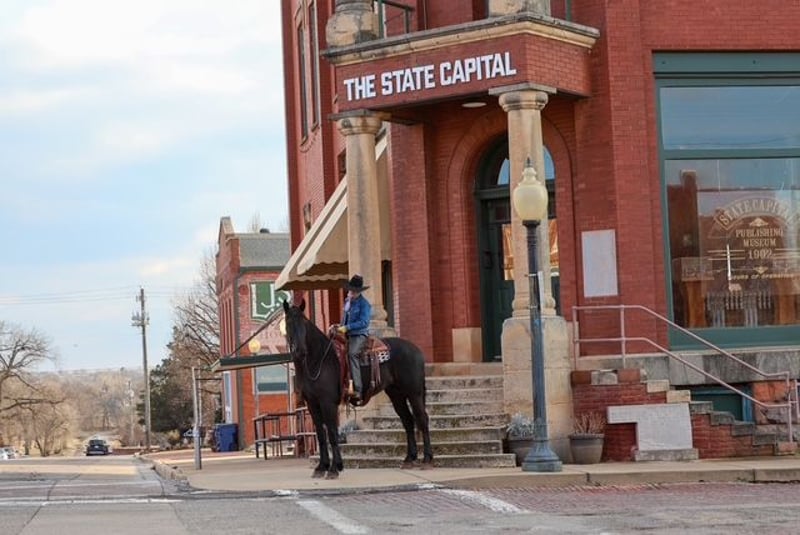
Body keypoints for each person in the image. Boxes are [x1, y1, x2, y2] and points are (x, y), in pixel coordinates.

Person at [337, 274, 372, 402]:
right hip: (347, 334)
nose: (350, 292)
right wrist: (339, 326)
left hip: (359, 335)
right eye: (350, 290)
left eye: (353, 290)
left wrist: (347, 327)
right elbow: (345, 318)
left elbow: (364, 322)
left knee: (352, 354)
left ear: (358, 291)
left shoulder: (364, 304)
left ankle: (358, 389)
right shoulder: (348, 302)